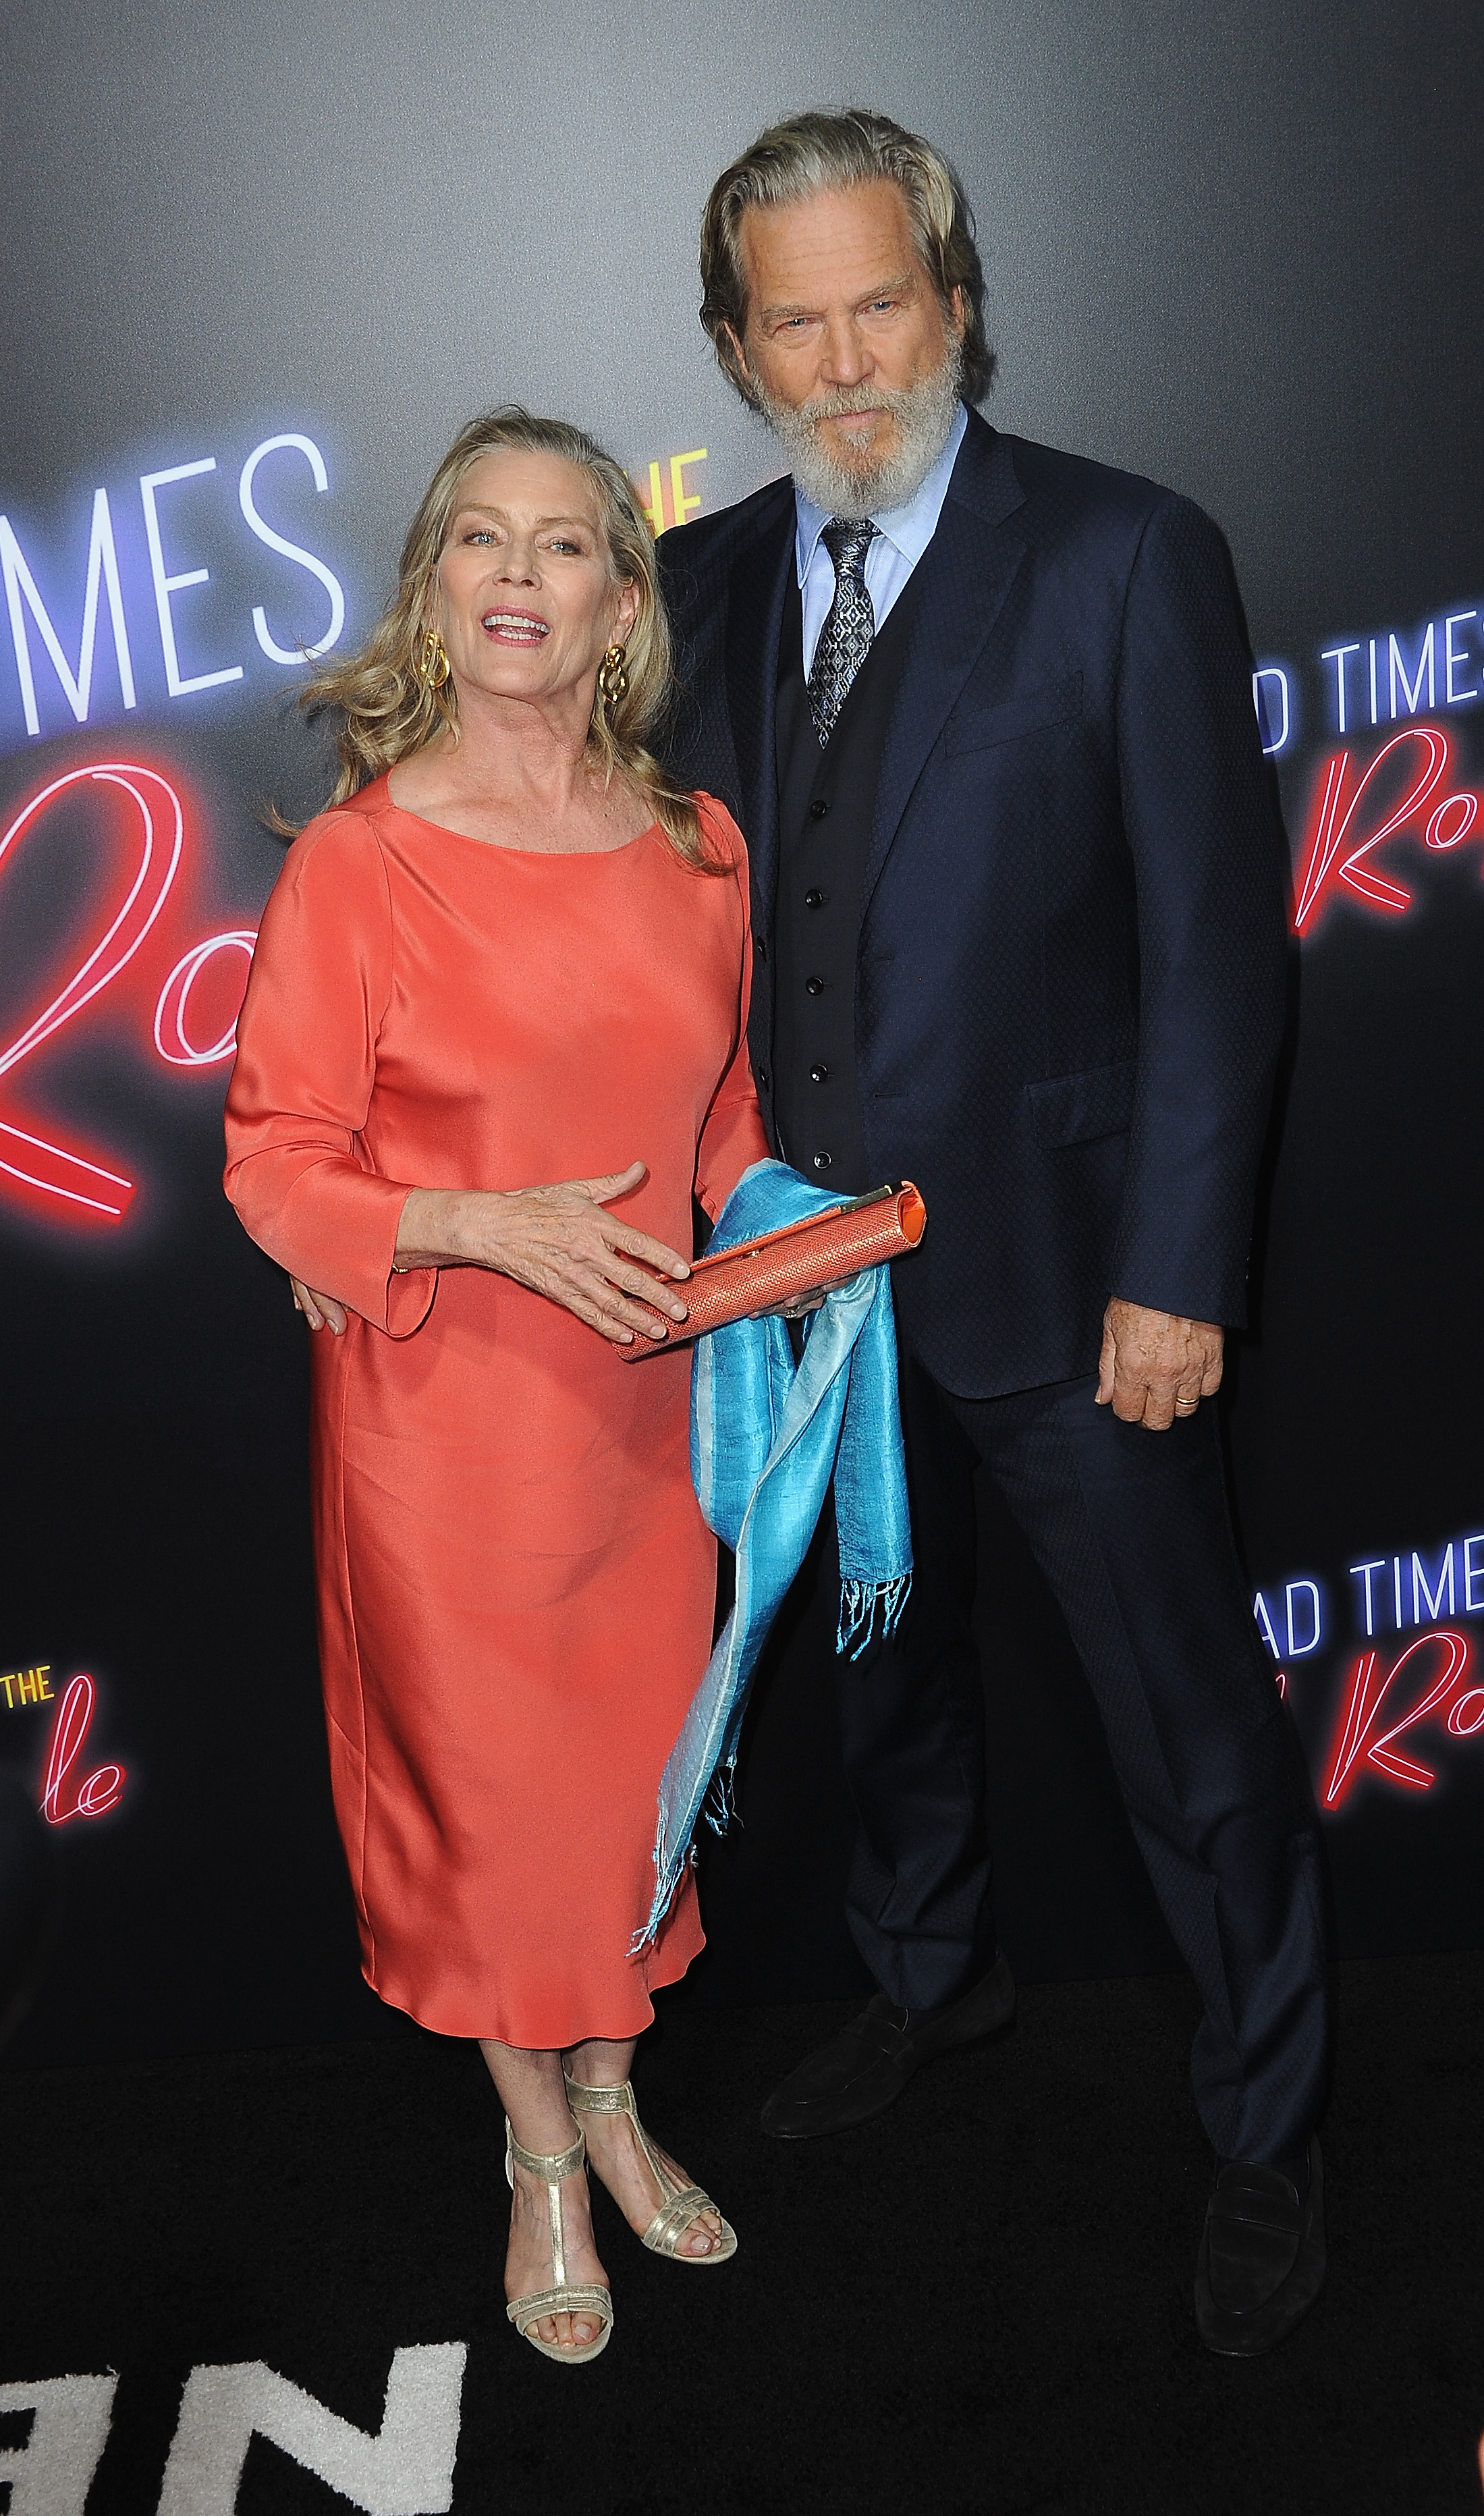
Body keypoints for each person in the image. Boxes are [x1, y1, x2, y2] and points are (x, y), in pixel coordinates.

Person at [653, 109, 1329, 2355]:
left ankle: (1266, 2123)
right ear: (739, 351)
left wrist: (1174, 1268)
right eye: (794, 322)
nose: (844, 360)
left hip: (1071, 1279)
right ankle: (928, 1988)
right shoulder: (708, 582)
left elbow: (1220, 956)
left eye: (881, 305)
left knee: (1185, 1726)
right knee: (884, 1680)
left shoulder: (1125, 554)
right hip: (802, 1295)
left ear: (953, 304)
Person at [224, 408, 770, 2363]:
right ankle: (537, 2148)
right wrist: (472, 1226)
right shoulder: (362, 867)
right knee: (490, 1811)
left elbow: (718, 1119)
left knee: (631, 1794)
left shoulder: (694, 846)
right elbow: (277, 1158)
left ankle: (616, 2093)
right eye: (480, 539)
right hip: (446, 1428)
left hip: (650, 1423)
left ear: (622, 603)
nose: (520, 577)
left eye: (564, 546)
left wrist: (794, 1236)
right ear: (433, 589)